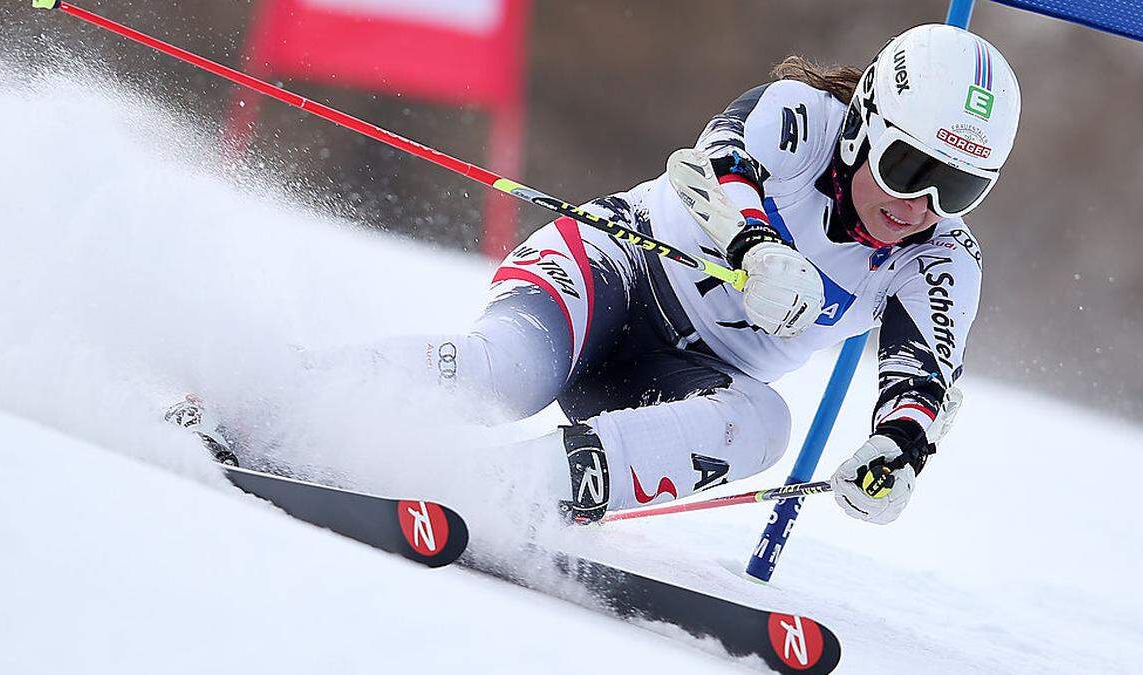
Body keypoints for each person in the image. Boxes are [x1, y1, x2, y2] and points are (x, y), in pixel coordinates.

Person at [170, 24, 1019, 526]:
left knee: (764, 425)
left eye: (963, 187)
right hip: (612, 267)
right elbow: (721, 163)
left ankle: (505, 498)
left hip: (684, 378)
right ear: (868, 119)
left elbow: (923, 371)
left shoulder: (939, 253)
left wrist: (897, 450)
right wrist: (757, 251)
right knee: (507, 374)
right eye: (912, 167)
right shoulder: (803, 118)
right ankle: (257, 398)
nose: (924, 205)